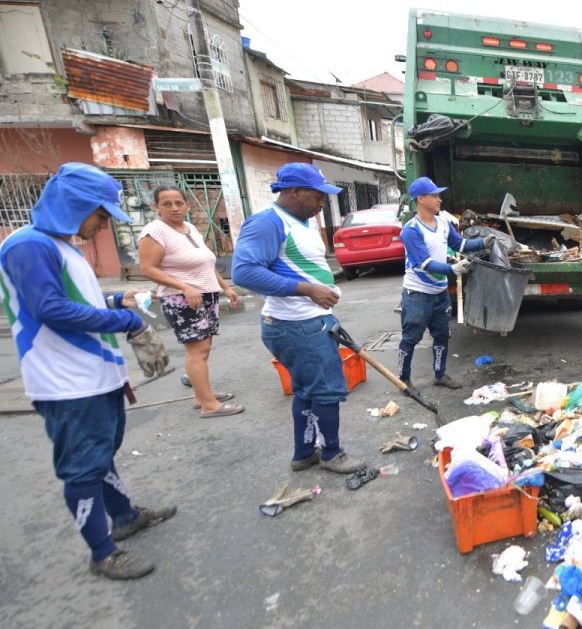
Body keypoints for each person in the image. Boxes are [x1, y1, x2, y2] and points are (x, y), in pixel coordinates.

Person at [0, 163, 175, 580]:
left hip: (95, 374)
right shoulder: (28, 246)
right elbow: (50, 309)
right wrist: (127, 322)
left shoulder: (61, 245)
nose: (101, 226)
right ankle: (102, 552)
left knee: (100, 453)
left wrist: (118, 301)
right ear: (72, 205)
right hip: (66, 382)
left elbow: (81, 300)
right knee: (83, 465)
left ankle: (125, 516)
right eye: (99, 215)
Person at [232, 163, 364, 474]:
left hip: (311, 320)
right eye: (318, 196)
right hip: (295, 325)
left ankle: (304, 453)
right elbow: (244, 272)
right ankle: (331, 453)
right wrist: (305, 289)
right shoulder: (267, 222)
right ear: (294, 191)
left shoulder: (303, 221)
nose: (322, 203)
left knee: (307, 389)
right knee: (326, 390)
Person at [138, 185, 243, 418]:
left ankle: (202, 396)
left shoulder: (189, 228)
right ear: (156, 207)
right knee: (197, 350)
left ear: (186, 205)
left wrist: (225, 287)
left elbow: (204, 262)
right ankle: (209, 405)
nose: (174, 208)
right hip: (181, 298)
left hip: (206, 294)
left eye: (178, 203)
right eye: (166, 203)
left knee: (203, 349)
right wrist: (184, 286)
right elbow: (147, 268)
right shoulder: (154, 231)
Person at [398, 176, 489, 390]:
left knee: (441, 335)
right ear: (421, 199)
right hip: (417, 294)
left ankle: (440, 375)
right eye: (435, 195)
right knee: (411, 338)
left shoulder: (443, 223)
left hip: (439, 293)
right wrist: (452, 269)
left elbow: (461, 244)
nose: (439, 200)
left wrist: (484, 242)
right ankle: (402, 380)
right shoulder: (411, 230)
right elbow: (425, 263)